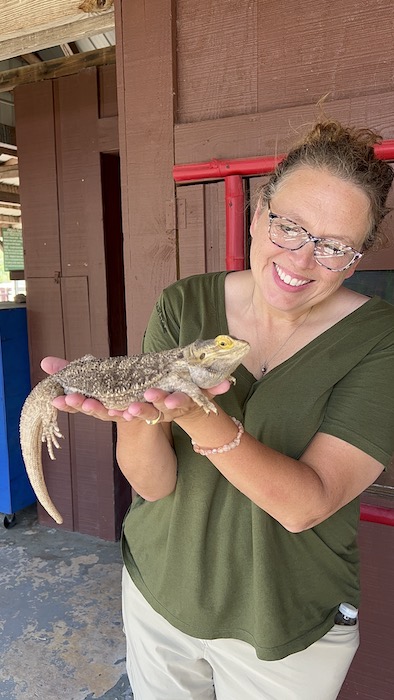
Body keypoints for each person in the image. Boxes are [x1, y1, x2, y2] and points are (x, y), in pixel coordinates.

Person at [42, 119, 394, 700]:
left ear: (353, 260)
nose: (302, 259)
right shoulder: (184, 303)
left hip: (284, 624)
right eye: (289, 227)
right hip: (159, 591)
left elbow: (306, 505)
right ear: (259, 214)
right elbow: (154, 486)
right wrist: (136, 416)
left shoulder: (379, 339)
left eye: (333, 246)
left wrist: (199, 413)